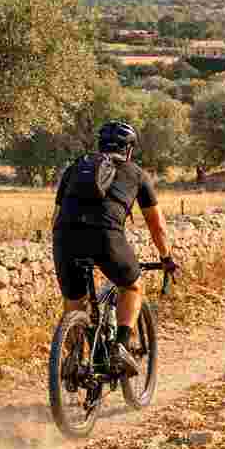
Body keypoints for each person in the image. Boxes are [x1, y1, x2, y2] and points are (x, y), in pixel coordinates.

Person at [52, 120, 177, 377]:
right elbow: (157, 226)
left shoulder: (76, 167)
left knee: (74, 301)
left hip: (65, 237)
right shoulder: (136, 174)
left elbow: (54, 217)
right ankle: (120, 347)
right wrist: (166, 257)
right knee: (133, 285)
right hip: (106, 236)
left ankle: (74, 358)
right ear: (129, 149)